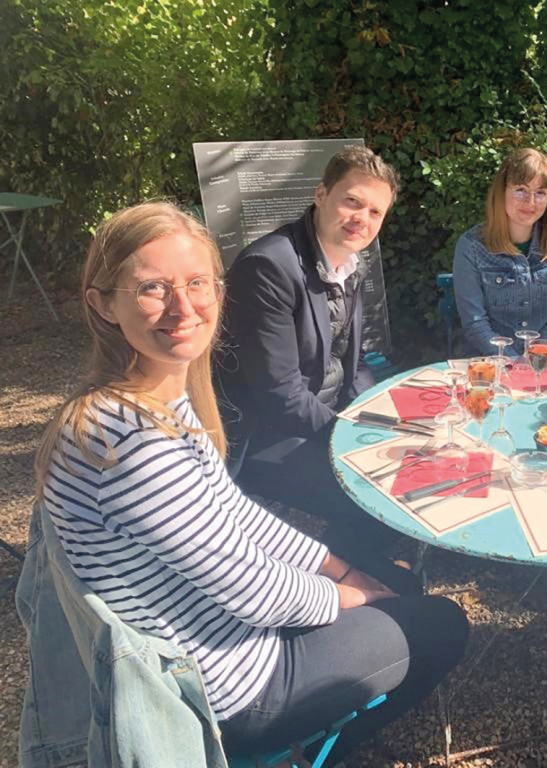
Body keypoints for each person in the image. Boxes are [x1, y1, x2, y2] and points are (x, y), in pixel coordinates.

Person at [30, 202, 468, 758]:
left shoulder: (148, 402)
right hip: (227, 691)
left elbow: (238, 516)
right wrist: (353, 596)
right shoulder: (130, 444)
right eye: (152, 288)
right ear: (103, 304)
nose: (183, 306)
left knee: (395, 584)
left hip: (218, 639)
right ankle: (305, 752)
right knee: (445, 624)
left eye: (196, 283)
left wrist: (347, 572)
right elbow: (254, 593)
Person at [216, 145, 399, 568]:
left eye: (375, 212)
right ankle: (346, 583)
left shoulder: (351, 261)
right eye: (352, 201)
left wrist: (373, 419)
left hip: (319, 420)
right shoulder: (268, 267)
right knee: (371, 493)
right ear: (321, 195)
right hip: (263, 438)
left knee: (397, 467)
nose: (362, 219)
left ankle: (359, 564)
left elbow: (354, 366)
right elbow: (278, 395)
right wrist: (348, 439)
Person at [453, 148, 547, 356]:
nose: (530, 202)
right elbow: (475, 323)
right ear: (501, 192)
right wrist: (513, 362)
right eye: (520, 190)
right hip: (489, 365)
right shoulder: (471, 246)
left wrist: (536, 357)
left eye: (540, 193)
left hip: (543, 361)